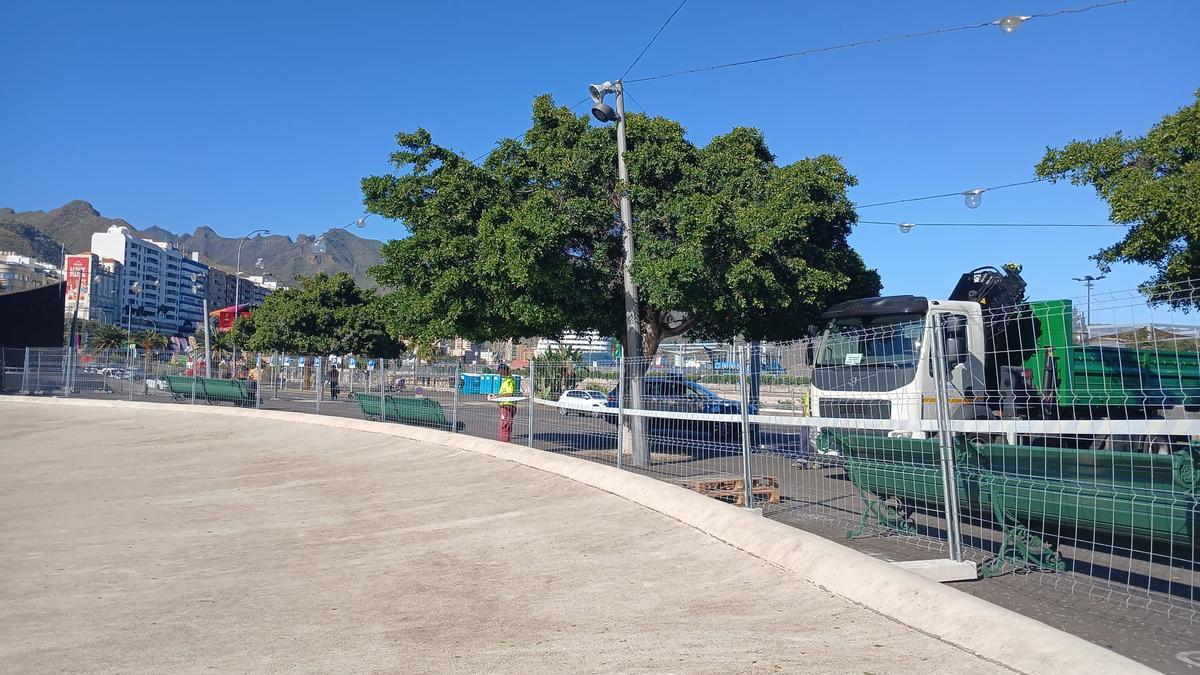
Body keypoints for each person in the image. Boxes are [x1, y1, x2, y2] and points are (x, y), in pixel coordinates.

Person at [495, 363, 517, 443]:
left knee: (505, 425)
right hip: (504, 405)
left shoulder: (509, 381)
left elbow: (509, 393)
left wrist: (499, 396)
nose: (499, 374)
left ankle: (504, 442)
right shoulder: (506, 380)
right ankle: (503, 440)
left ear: (504, 371)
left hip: (507, 405)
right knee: (504, 424)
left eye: (500, 372)